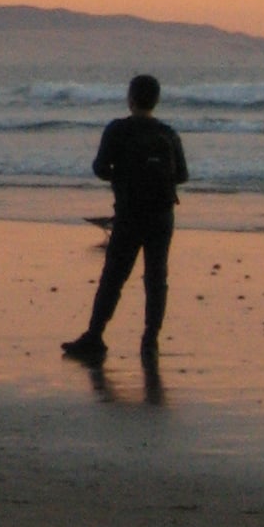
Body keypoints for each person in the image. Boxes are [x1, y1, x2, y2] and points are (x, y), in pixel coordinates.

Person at [62, 74, 189, 366]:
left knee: (114, 278)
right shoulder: (168, 133)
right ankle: (150, 342)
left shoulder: (118, 129)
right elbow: (182, 175)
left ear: (130, 98)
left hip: (130, 213)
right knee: (156, 279)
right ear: (156, 100)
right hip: (162, 215)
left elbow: (99, 167)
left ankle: (95, 336)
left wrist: (122, 177)